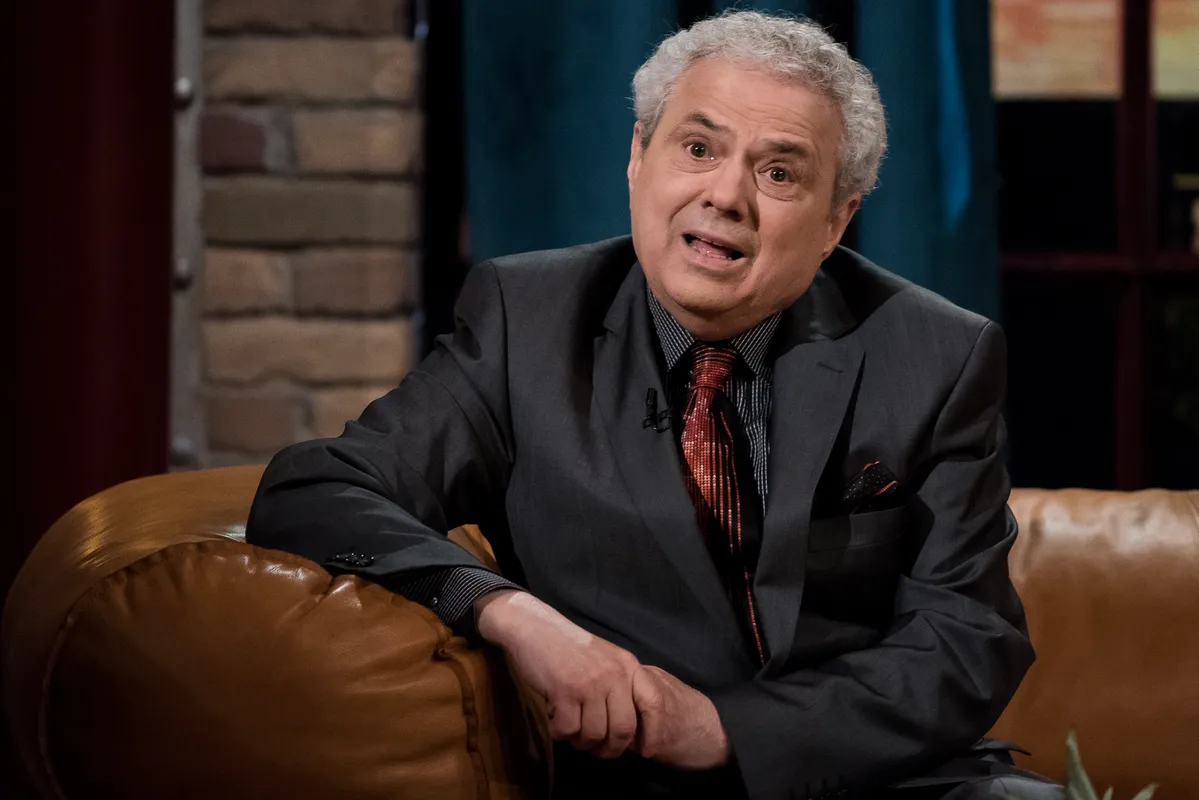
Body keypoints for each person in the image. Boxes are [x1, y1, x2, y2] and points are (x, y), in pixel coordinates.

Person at [247, 11, 1062, 800]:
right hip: (627, 776)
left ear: (835, 220)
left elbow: (967, 637)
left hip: (868, 775)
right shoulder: (524, 322)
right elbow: (319, 488)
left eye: (778, 173)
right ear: (638, 157)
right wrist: (508, 611)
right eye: (697, 149)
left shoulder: (933, 353)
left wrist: (726, 730)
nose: (725, 196)